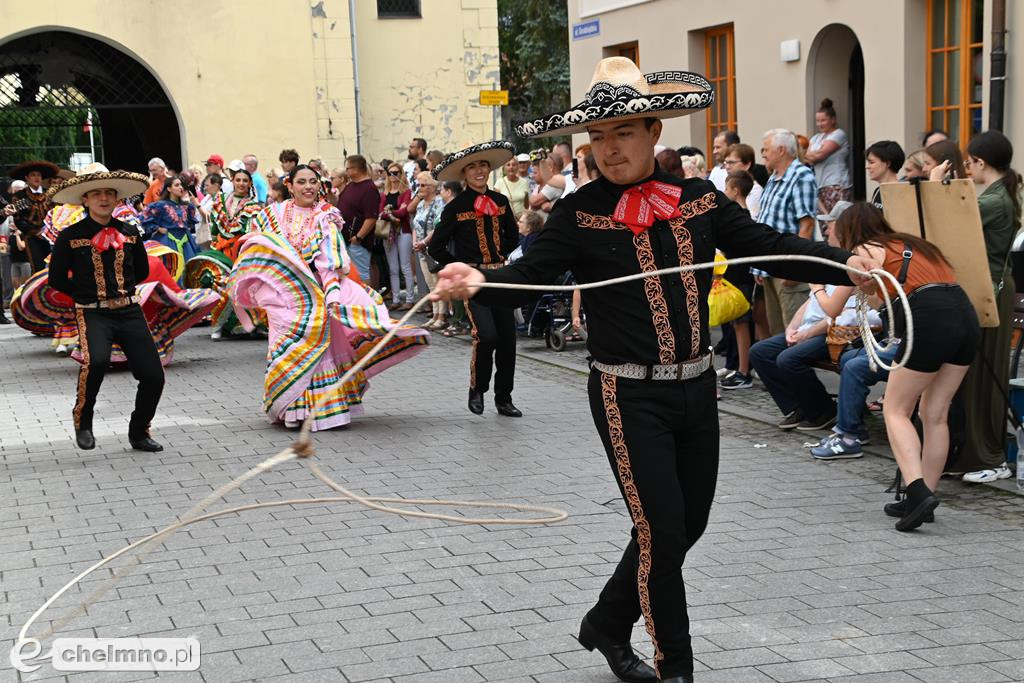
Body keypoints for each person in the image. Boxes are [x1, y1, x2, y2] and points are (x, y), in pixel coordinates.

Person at [432, 57, 870, 682]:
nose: (609, 150)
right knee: (661, 534)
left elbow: (767, 244)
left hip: (696, 387)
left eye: (624, 133)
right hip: (624, 394)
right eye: (598, 137)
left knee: (686, 525)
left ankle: (606, 622)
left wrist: (845, 263)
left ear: (655, 132)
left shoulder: (697, 200)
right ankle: (675, 669)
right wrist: (481, 281)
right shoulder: (578, 212)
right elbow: (531, 276)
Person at [237, 165, 428, 431]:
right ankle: (291, 409)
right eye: (301, 182)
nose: (308, 187)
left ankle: (320, 410)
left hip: (315, 293)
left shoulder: (326, 216)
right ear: (289, 186)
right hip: (282, 296)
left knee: (317, 348)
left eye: (313, 182)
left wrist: (333, 294)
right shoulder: (272, 214)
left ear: (320, 185)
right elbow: (259, 249)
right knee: (287, 349)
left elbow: (330, 261)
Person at [835, 202, 980, 530]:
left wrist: (818, 288)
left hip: (927, 317)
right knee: (935, 412)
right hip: (964, 313)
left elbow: (844, 300)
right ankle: (925, 496)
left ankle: (917, 492)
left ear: (850, 232)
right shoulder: (913, 244)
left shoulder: (865, 249)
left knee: (896, 409)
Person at [46, 167, 165, 452]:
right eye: (96, 193)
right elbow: (57, 279)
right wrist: (86, 295)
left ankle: (139, 431)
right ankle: (83, 420)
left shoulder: (130, 232)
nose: (103, 198)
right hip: (93, 312)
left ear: (116, 199)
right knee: (96, 363)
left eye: (109, 193)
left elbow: (142, 270)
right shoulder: (69, 236)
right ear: (85, 200)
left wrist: (120, 292)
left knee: (153, 376)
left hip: (129, 311)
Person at [428, 141, 523, 418]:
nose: (479, 171)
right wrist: (458, 267)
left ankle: (504, 397)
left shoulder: (501, 202)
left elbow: (513, 237)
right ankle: (478, 387)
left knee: (507, 339)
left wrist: (500, 257)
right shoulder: (455, 207)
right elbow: (436, 247)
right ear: (464, 174)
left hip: (501, 276)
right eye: (473, 167)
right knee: (487, 335)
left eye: (483, 165)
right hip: (473, 280)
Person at [958, 131, 1021, 481]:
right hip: (988, 288)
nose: (968, 168)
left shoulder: (994, 201)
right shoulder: (996, 194)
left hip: (992, 290)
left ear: (981, 163)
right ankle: (976, 454)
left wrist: (939, 185)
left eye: (969, 162)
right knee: (975, 372)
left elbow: (951, 224)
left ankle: (990, 459)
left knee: (986, 375)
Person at [757, 129, 818, 336]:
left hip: (787, 265)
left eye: (765, 149)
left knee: (792, 333)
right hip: (771, 264)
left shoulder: (801, 175)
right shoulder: (774, 176)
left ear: (781, 150)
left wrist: (796, 267)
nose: (762, 154)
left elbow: (807, 225)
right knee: (777, 331)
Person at [5, 160, 60, 274]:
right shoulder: (20, 196)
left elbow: (57, 214)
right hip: (33, 238)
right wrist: (36, 232)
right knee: (38, 268)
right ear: (27, 178)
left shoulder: (50, 194)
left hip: (51, 237)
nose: (36, 178)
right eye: (33, 175)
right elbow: (19, 220)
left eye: (39, 175)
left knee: (55, 266)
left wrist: (51, 231)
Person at [141, 176, 200, 281]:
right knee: (172, 269)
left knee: (190, 271)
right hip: (168, 241)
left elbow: (190, 223)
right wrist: (157, 228)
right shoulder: (161, 205)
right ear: (169, 189)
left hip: (186, 242)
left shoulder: (187, 206)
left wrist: (194, 202)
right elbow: (144, 216)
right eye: (177, 185)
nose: (180, 187)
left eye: (181, 185)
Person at [408, 171, 446, 329]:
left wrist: (424, 242)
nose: (419, 188)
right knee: (431, 285)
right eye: (418, 185)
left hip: (434, 249)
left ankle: (441, 317)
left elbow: (438, 227)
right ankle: (435, 315)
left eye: (423, 185)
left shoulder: (439, 203)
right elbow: (415, 224)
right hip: (422, 250)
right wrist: (415, 241)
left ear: (432, 187)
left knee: (439, 283)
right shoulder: (421, 204)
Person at [338, 154, 382, 284]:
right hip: (346, 239)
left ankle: (367, 302)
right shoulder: (351, 185)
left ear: (356, 169)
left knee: (362, 274)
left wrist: (358, 237)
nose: (346, 172)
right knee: (350, 274)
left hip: (357, 242)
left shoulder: (369, 188)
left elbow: (371, 217)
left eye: (348, 169)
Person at [805, 98, 852, 215]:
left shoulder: (839, 134)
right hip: (820, 185)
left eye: (823, 120)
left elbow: (819, 156)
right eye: (818, 121)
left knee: (836, 220)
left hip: (835, 184)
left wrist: (810, 155)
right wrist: (810, 156)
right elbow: (807, 159)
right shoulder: (816, 138)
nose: (820, 124)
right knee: (824, 223)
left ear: (833, 120)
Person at [379, 162, 416, 310]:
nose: (393, 176)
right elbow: (381, 213)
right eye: (390, 173)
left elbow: (404, 213)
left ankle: (410, 299)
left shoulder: (406, 192)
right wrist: (393, 212)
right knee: (393, 268)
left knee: (405, 266)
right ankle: (395, 299)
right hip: (388, 233)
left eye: (396, 172)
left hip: (403, 231)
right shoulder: (384, 193)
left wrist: (389, 212)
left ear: (401, 174)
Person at [209, 169, 262, 261]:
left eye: (245, 181)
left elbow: (250, 236)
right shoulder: (221, 199)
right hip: (218, 250)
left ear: (250, 183)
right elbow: (214, 228)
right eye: (238, 180)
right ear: (232, 181)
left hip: (239, 252)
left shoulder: (252, 208)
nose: (241, 183)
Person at [723, 143, 763, 218]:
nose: (727, 167)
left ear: (747, 165)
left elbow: (751, 219)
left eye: (731, 162)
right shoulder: (729, 184)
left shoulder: (755, 190)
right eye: (725, 162)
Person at [865, 140, 905, 208]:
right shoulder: (878, 191)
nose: (867, 167)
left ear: (887, 163)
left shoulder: (902, 193)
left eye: (872, 162)